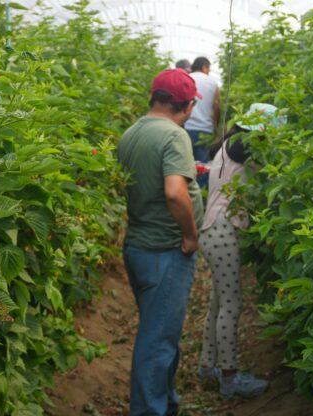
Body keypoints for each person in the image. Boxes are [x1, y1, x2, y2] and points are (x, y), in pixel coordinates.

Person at [117, 68, 205, 416]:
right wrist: (190, 234)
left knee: (159, 333)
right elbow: (173, 192)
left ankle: (165, 404)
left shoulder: (132, 132)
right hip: (165, 252)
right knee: (156, 344)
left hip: (139, 246)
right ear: (185, 106)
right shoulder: (173, 135)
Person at [197, 103, 285, 399]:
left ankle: (207, 367)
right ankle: (230, 378)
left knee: (217, 304)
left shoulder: (229, 145)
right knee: (232, 306)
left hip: (213, 231)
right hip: (224, 230)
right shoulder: (241, 145)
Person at [184, 57, 220, 188]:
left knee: (183, 166)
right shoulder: (212, 82)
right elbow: (217, 106)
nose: (209, 72)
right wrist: (216, 126)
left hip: (185, 128)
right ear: (204, 67)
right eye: (209, 69)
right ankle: (202, 201)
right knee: (203, 168)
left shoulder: (186, 78)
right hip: (205, 130)